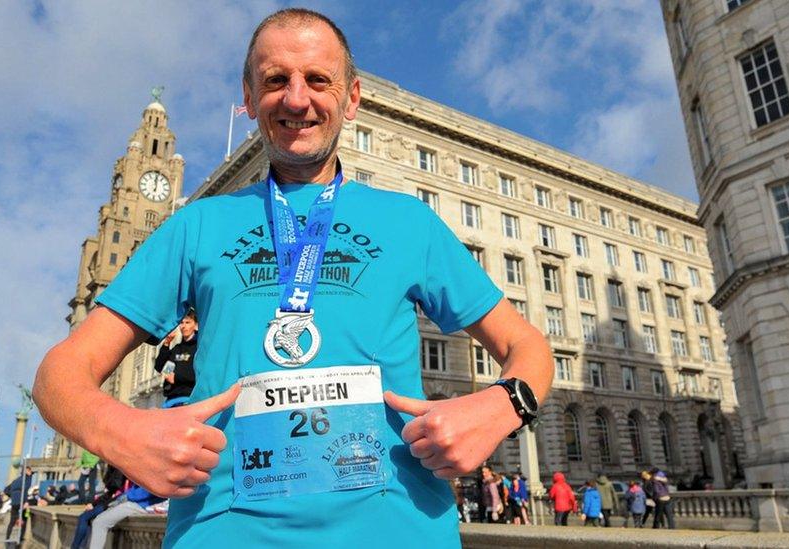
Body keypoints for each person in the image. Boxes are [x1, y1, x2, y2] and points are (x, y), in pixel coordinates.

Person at [32, 7, 554, 548]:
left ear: (351, 99)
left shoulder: (410, 222)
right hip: (224, 532)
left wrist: (501, 405)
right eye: (276, 80)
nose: (297, 98)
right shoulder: (195, 225)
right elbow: (59, 375)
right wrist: (118, 430)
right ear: (251, 97)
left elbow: (527, 346)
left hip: (398, 531)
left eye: (318, 80)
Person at [87, 483, 164, 549]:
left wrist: (126, 496)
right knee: (98, 519)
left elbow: (147, 491)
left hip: (141, 504)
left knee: (99, 522)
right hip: (137, 502)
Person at [71, 465, 128, 549]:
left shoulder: (119, 469)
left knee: (84, 517)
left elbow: (114, 489)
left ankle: (75, 547)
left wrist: (94, 503)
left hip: (114, 501)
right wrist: (93, 504)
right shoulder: (112, 467)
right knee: (85, 517)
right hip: (109, 499)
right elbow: (108, 491)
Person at [152, 311, 199, 408]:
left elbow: (199, 372)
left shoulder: (198, 348)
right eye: (181, 323)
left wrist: (176, 377)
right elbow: (159, 366)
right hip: (170, 398)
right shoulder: (177, 349)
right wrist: (166, 344)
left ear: (195, 325)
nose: (183, 326)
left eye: (188, 322)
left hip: (188, 397)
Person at [4, 466, 33, 542]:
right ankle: (20, 538)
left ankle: (7, 537)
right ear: (27, 471)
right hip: (22, 501)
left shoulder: (16, 480)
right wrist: (26, 501)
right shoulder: (26, 479)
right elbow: (25, 490)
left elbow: (6, 490)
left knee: (12, 521)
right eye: (30, 471)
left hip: (14, 502)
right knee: (25, 518)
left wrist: (12, 495)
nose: (30, 473)